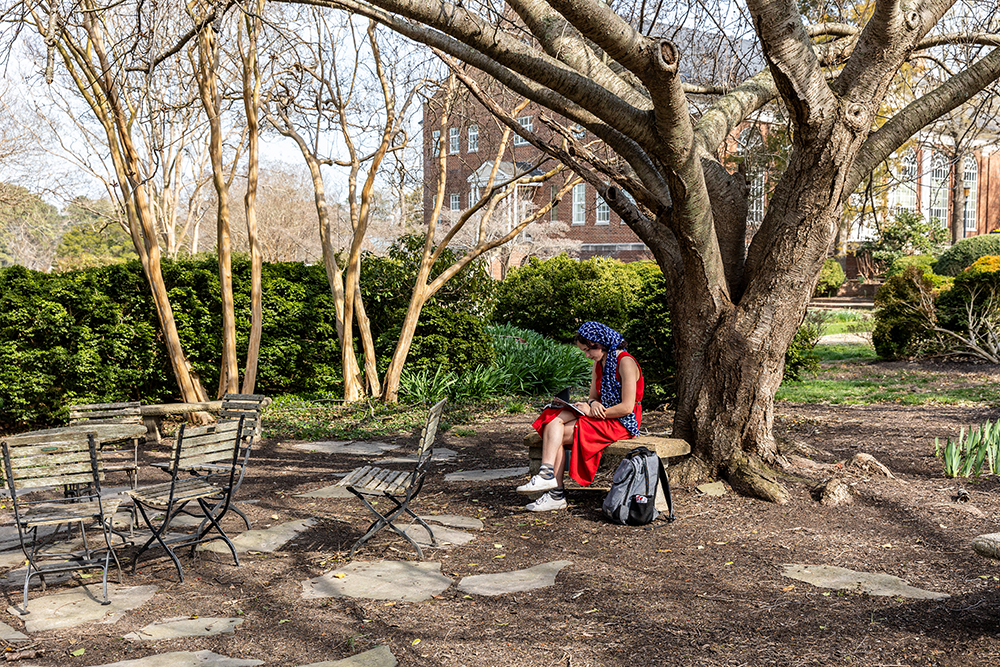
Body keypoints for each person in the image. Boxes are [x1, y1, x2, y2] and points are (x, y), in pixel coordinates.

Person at [517, 321, 643, 511]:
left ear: (599, 343)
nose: (587, 355)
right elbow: (593, 397)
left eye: (588, 350)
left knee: (555, 434)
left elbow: (627, 408)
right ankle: (546, 476)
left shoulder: (625, 362)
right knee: (554, 418)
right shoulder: (598, 364)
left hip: (621, 421)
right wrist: (592, 404)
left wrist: (594, 410)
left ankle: (555, 493)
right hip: (602, 414)